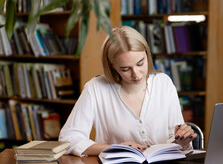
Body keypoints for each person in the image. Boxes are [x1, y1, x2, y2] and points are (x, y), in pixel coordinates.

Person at [59, 26, 196, 156]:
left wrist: (182, 140)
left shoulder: (163, 83)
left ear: (147, 55)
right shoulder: (96, 88)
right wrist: (115, 148)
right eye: (125, 69)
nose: (136, 74)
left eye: (140, 63)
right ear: (112, 67)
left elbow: (176, 141)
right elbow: (68, 140)